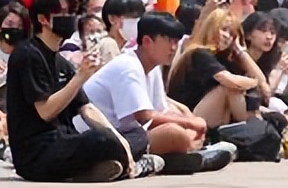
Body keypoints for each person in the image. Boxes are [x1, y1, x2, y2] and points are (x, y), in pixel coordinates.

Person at [6, 0, 163, 182]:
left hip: (65, 141)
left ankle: (107, 167)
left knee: (136, 134)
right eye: (63, 13)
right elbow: (45, 111)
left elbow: (87, 108)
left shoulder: (60, 62)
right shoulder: (27, 55)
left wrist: (119, 139)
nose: (69, 19)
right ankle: (131, 166)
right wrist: (80, 77)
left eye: (71, 13)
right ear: (43, 19)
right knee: (101, 140)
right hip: (37, 152)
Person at [82, 12, 234, 174]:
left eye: (176, 42)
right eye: (169, 41)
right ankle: (188, 154)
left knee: (181, 126)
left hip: (129, 136)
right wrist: (189, 124)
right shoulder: (128, 67)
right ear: (148, 41)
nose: (173, 48)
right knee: (175, 134)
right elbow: (145, 116)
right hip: (98, 141)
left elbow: (161, 109)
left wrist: (189, 121)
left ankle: (178, 157)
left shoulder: (152, 67)